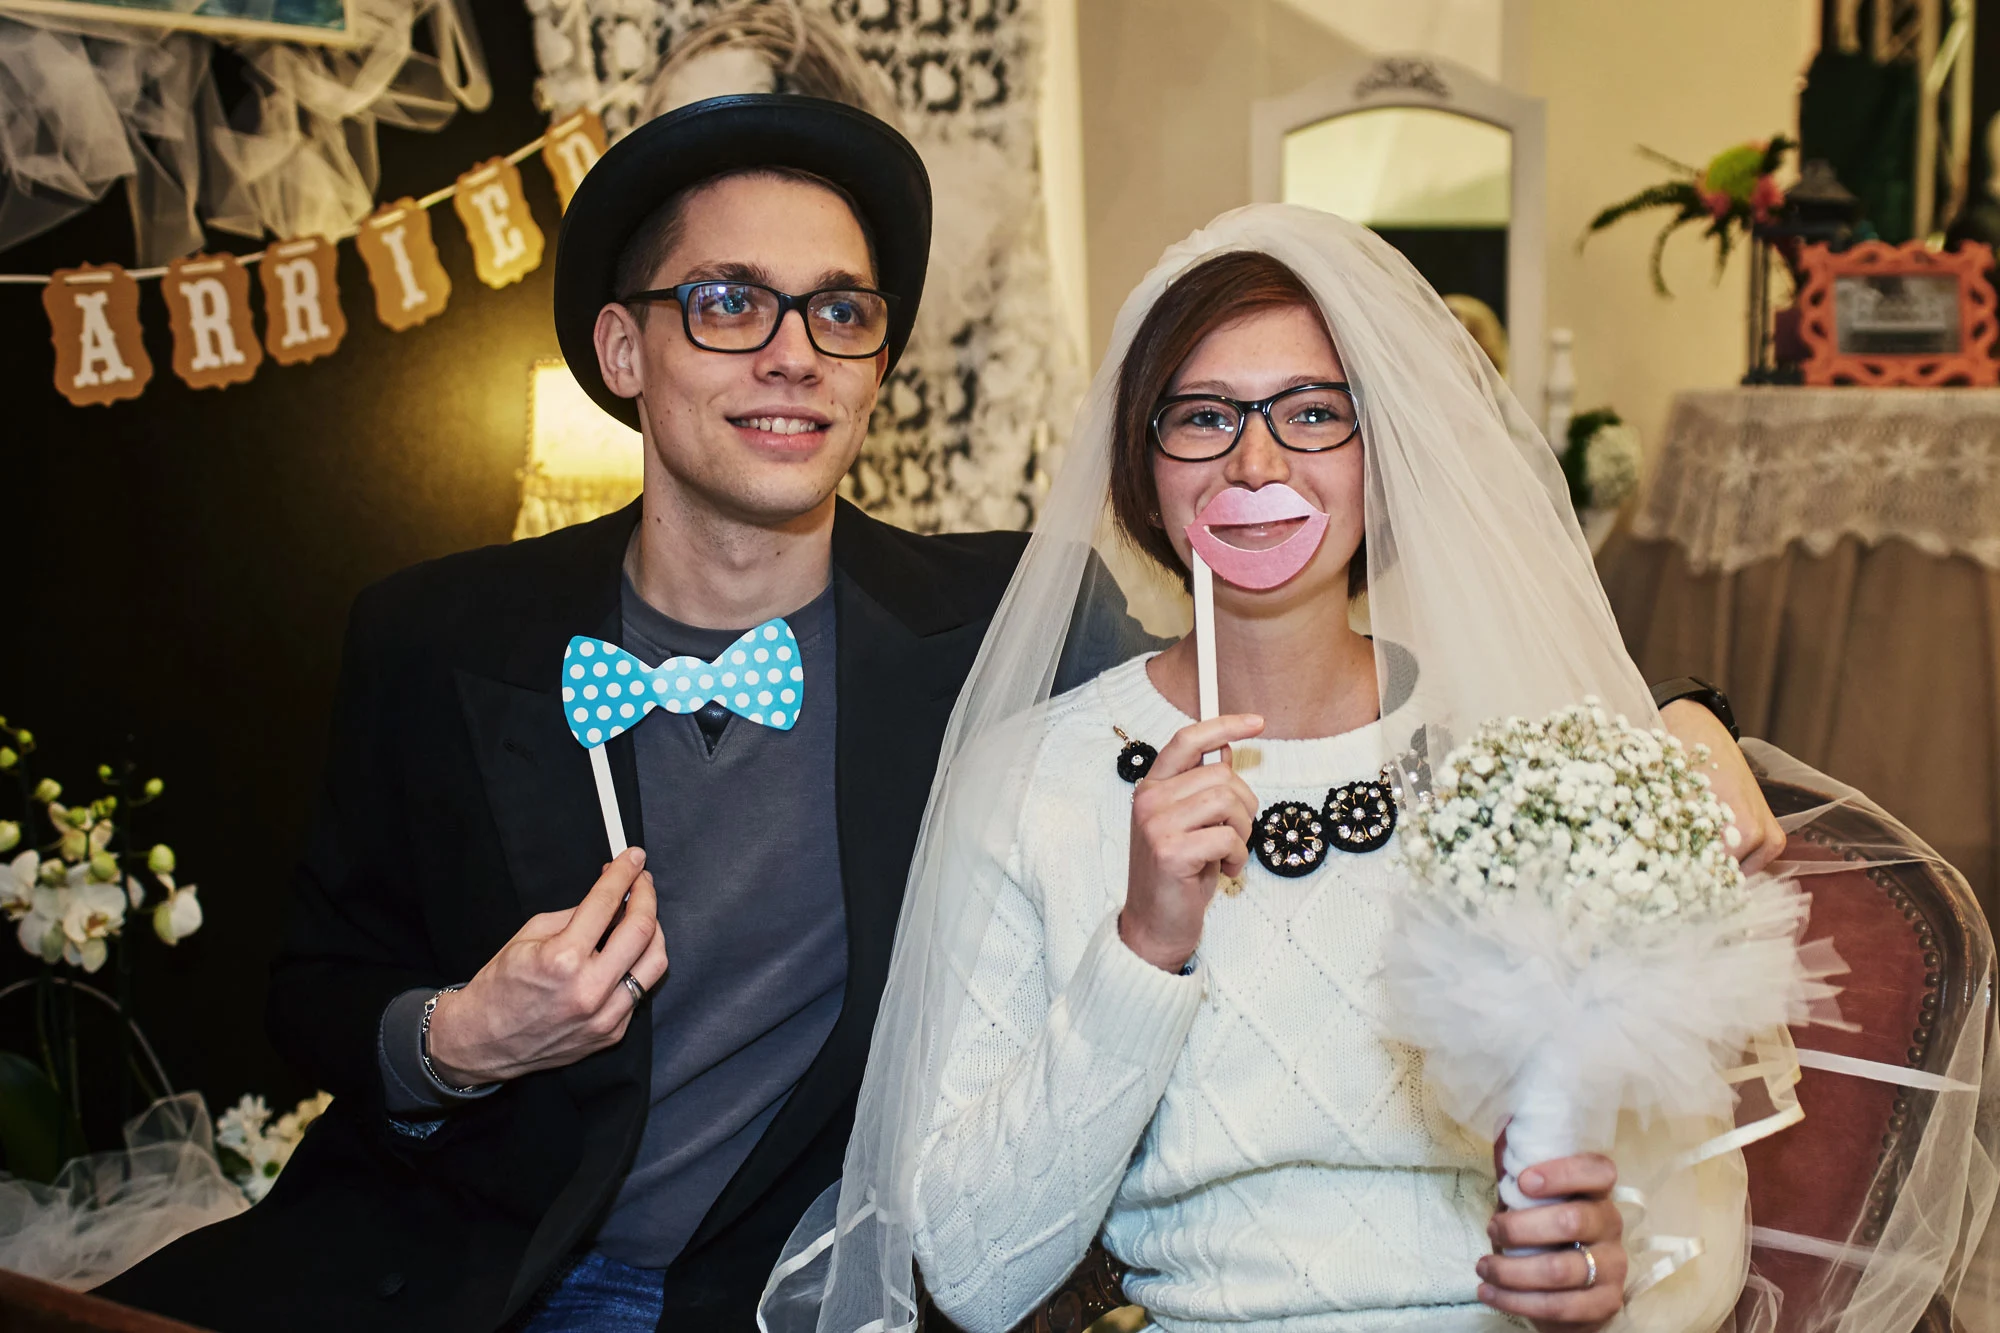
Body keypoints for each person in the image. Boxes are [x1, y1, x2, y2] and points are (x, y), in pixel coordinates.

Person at [97, 103, 1766, 1332]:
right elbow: (309, 992)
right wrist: (464, 1032)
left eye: (840, 311)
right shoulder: (434, 632)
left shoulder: (989, 635)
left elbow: (1285, 659)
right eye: (728, 303)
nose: (792, 354)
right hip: (453, 1267)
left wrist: (1683, 724)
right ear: (624, 347)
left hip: (762, 1288)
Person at [771, 205, 1994, 1333]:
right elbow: (977, 1279)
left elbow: (1664, 1216)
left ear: (1382, 448)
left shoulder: (1525, 763)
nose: (1256, 465)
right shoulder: (1029, 782)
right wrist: (1143, 944)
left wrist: (1597, 1268)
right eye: (1203, 416)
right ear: (1143, 461)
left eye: (1312, 412)